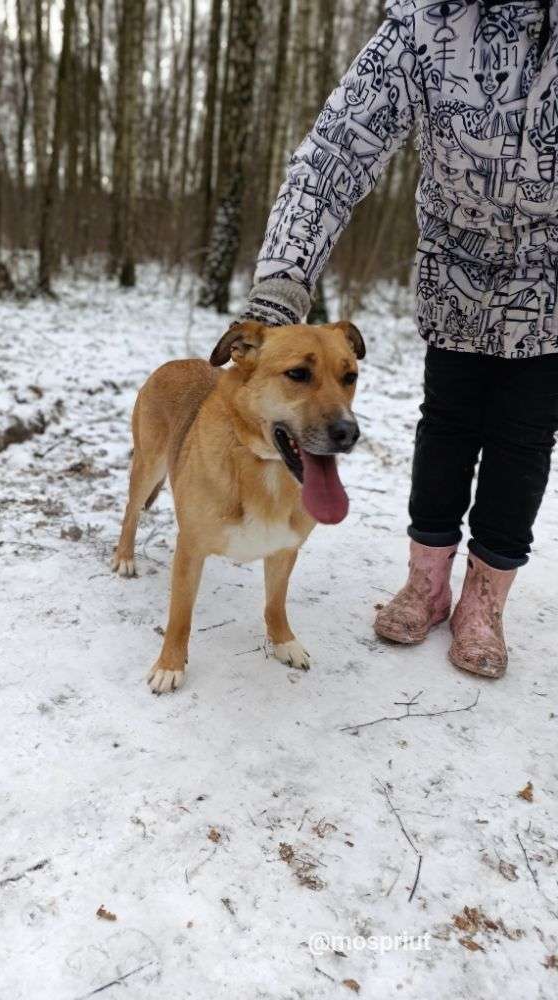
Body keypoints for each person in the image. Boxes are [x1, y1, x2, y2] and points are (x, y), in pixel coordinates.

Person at [239, 0, 558, 678]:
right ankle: (427, 580)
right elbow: (336, 152)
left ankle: (484, 601)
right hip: (457, 275)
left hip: (552, 285)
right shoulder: (426, 22)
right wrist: (281, 285)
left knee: (525, 438)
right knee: (447, 423)